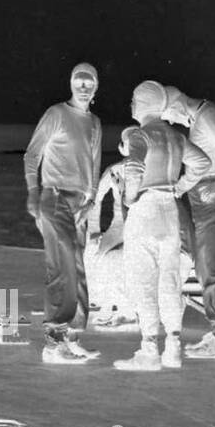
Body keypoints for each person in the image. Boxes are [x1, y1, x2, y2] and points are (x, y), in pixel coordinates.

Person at [114, 81, 211, 372]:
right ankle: (174, 347)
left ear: (143, 103)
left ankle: (148, 350)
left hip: (145, 209)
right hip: (170, 211)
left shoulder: (141, 136)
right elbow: (203, 163)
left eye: (133, 99)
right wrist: (181, 186)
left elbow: (133, 168)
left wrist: (130, 198)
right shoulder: (175, 136)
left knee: (142, 279)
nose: (131, 104)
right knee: (170, 281)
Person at [24, 62, 104, 364]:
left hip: (80, 206)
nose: (84, 86)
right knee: (62, 270)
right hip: (55, 199)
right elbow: (32, 155)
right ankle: (53, 344)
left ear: (96, 87)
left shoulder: (94, 122)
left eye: (89, 81)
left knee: (79, 272)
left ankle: (72, 337)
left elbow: (94, 165)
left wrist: (91, 199)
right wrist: (33, 192)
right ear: (71, 84)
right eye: (79, 80)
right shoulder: (56, 114)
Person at [161, 86, 215, 359]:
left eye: (169, 116)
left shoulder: (208, 116)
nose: (172, 122)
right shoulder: (201, 118)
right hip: (205, 198)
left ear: (175, 106)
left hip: (214, 199)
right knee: (206, 264)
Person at [84, 133, 139, 330]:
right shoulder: (113, 170)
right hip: (119, 226)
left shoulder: (150, 172)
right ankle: (104, 302)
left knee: (119, 260)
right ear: (122, 148)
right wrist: (93, 231)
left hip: (140, 227)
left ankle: (127, 309)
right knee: (94, 254)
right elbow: (95, 200)